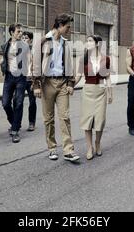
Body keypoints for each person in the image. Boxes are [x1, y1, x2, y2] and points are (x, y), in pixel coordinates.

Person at [32, 13, 80, 163]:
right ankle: (52, 148)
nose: (69, 30)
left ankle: (68, 150)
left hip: (62, 83)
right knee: (48, 119)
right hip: (47, 83)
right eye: (67, 27)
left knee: (65, 117)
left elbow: (69, 65)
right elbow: (35, 63)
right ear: (60, 25)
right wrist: (36, 85)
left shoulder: (66, 43)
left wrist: (71, 83)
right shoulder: (43, 41)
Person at [75, 35, 113, 160]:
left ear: (97, 44)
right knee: (87, 121)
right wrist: (71, 85)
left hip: (101, 91)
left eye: (90, 41)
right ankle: (89, 147)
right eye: (87, 41)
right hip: (88, 91)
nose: (88, 43)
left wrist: (110, 93)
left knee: (100, 120)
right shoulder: (83, 59)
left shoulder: (106, 59)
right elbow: (79, 75)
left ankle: (97, 143)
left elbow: (107, 77)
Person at [0, 24, 30, 144]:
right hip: (9, 77)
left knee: (18, 102)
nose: (21, 33)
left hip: (21, 77)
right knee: (5, 103)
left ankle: (15, 130)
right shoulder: (5, 45)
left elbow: (30, 59)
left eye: (21, 31)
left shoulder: (25, 46)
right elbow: (4, 59)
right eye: (18, 31)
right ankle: (14, 122)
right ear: (12, 33)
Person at [22, 31, 37, 132]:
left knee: (32, 102)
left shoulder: (34, 52)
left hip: (31, 80)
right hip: (20, 79)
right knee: (17, 102)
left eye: (26, 38)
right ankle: (15, 123)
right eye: (22, 38)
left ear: (30, 40)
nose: (23, 40)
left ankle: (32, 122)